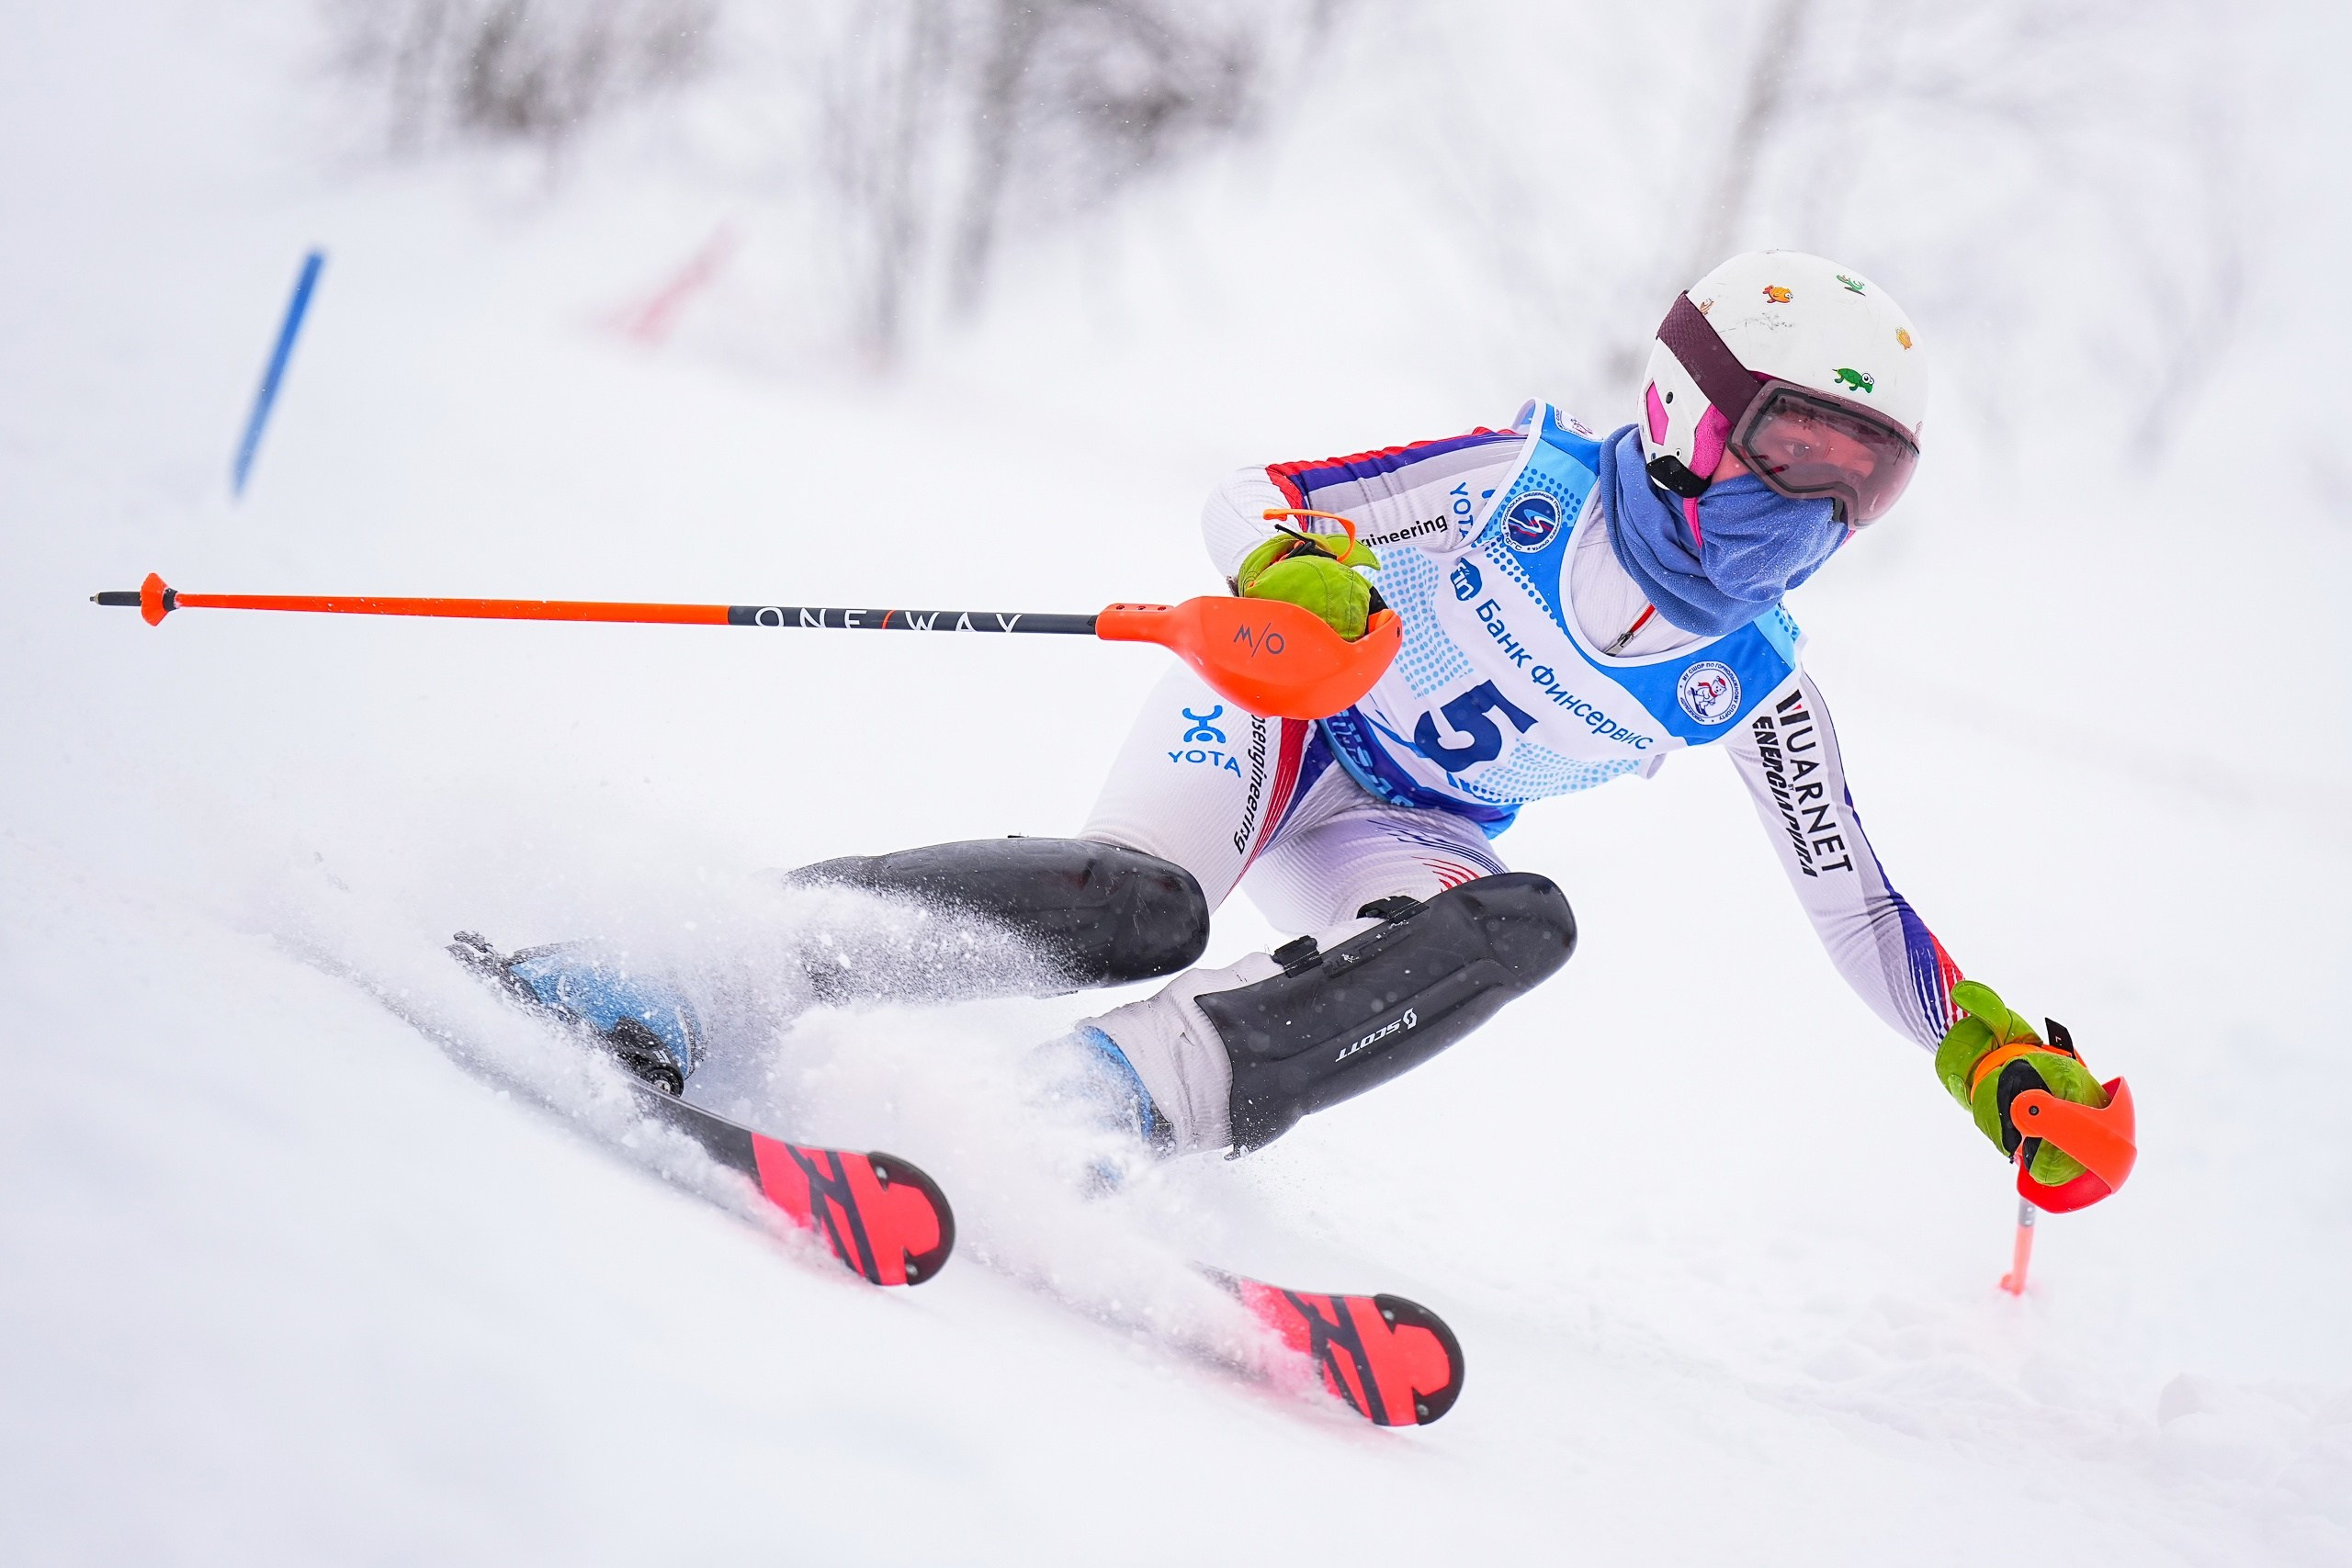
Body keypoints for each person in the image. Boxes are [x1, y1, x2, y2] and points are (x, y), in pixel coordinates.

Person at [480, 250, 2126, 1212]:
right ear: (1692, 409)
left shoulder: (1756, 679)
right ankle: (680, 972)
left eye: (1863, 484)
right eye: (1795, 450)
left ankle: (1081, 1115)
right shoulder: (1522, 485)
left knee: (1520, 924)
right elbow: (1259, 496)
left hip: (1404, 830)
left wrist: (1983, 1054)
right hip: (1281, 721)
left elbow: (1857, 907)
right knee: (1141, 909)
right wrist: (1301, 572)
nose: (1815, 509)